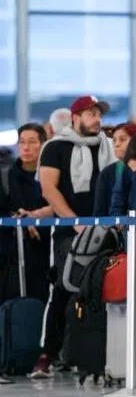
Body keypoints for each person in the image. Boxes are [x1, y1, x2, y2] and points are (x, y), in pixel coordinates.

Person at [31, 96, 115, 378]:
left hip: (105, 229)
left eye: (99, 114)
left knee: (102, 290)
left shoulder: (107, 147)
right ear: (75, 117)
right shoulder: (56, 147)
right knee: (65, 287)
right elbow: (49, 189)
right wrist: (73, 222)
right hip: (70, 231)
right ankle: (47, 353)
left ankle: (97, 355)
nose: (97, 119)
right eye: (90, 114)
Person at [0, 124, 53, 305]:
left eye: (32, 142)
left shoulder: (51, 175)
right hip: (15, 252)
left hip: (47, 246)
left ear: (43, 144)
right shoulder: (8, 175)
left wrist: (37, 215)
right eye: (22, 142)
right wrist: (21, 217)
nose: (26, 147)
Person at [93, 123, 136, 217]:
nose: (116, 144)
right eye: (114, 140)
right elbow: (99, 214)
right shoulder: (107, 173)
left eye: (122, 139)